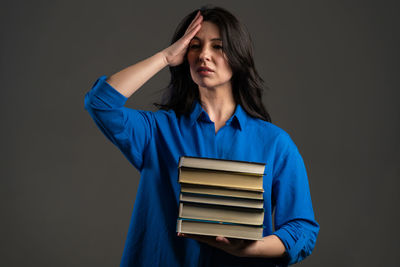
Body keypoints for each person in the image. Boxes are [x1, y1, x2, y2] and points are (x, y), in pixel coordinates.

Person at [84, 5, 319, 267]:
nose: (204, 55)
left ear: (237, 56)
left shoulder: (275, 143)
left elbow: (302, 230)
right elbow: (101, 103)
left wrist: (250, 250)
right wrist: (164, 57)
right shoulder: (157, 131)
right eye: (194, 46)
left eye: (218, 46)